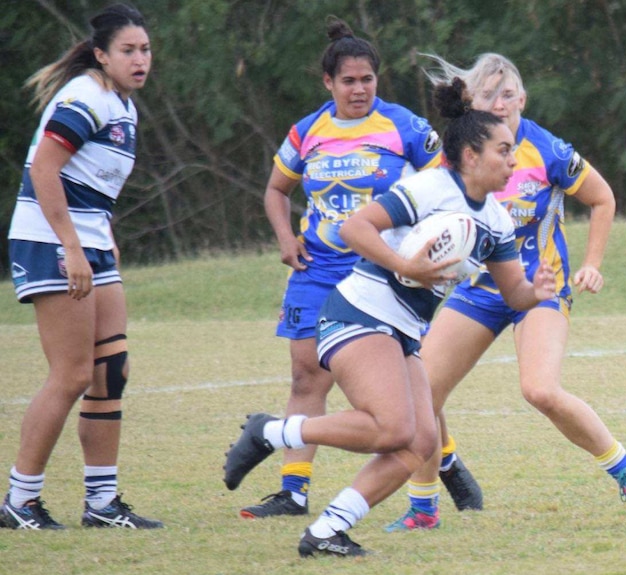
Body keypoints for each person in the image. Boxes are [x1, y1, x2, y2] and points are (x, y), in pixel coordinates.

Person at [222, 76, 557, 556]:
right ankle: (270, 431)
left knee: (418, 443)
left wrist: (536, 291)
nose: (513, 160)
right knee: (393, 428)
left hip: (403, 331)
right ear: (470, 156)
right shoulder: (427, 188)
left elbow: (514, 293)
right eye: (504, 150)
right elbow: (355, 227)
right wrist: (406, 265)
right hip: (359, 311)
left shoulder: (498, 220)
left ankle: (326, 531)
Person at [384, 53, 626, 532]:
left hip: (540, 287)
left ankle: (624, 469)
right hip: (478, 290)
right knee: (421, 392)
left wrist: (592, 265)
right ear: (471, 102)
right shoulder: (458, 155)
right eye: (489, 94)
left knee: (540, 389)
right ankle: (423, 509)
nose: (500, 102)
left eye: (508, 93)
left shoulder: (546, 149)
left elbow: (602, 198)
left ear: (523, 99)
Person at [238, 15, 484, 519]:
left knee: (401, 386)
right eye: (348, 81)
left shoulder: (405, 127)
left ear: (378, 78)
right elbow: (276, 189)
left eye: (367, 79)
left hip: (385, 275)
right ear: (328, 82)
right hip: (318, 269)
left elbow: (447, 186)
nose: (358, 89)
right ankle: (293, 492)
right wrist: (286, 238)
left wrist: (438, 248)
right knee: (307, 378)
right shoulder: (307, 131)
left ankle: (446, 459)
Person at [1, 3, 162, 530]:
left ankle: (102, 503)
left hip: (89, 239)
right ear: (101, 55)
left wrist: (101, 236)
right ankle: (18, 502)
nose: (140, 59)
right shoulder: (86, 96)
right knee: (71, 374)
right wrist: (71, 246)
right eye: (128, 51)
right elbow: (44, 169)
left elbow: (90, 181)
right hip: (50, 238)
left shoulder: (123, 105)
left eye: (145, 50)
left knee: (109, 372)